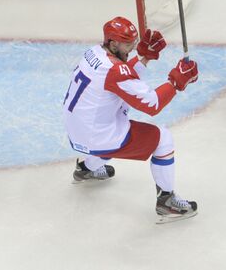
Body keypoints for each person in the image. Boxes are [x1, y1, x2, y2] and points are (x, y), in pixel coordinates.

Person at [63, 16, 199, 223]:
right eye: (129, 45)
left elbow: (122, 77)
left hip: (77, 128)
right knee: (162, 138)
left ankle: (86, 168)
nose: (132, 48)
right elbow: (151, 104)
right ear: (113, 42)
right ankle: (167, 200)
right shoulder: (115, 70)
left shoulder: (95, 53)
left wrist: (144, 57)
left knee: (116, 130)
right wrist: (176, 82)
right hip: (96, 135)